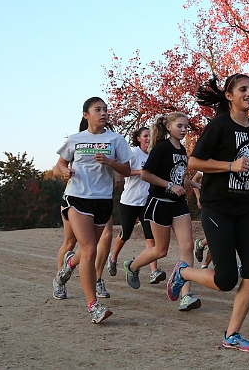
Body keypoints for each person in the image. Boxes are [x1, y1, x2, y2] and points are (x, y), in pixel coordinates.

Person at [167, 73, 249, 352]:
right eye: (243, 89)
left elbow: (248, 165)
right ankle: (185, 272)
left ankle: (232, 335)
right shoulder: (219, 126)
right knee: (226, 279)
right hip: (217, 207)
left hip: (244, 208)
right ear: (230, 96)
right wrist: (229, 166)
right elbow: (194, 161)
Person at [53, 97, 132, 323]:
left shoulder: (116, 139)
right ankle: (93, 306)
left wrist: (110, 163)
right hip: (77, 197)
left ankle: (68, 265)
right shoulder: (75, 139)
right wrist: (64, 172)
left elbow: (126, 170)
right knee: (89, 249)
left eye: (105, 109)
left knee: (90, 249)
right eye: (98, 109)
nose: (103, 113)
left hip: (103, 199)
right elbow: (60, 164)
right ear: (86, 114)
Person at [122, 113, 201, 311]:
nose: (184, 130)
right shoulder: (161, 148)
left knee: (188, 247)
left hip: (178, 204)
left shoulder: (182, 150)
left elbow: (177, 176)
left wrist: (190, 183)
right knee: (161, 250)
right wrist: (169, 186)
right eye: (180, 126)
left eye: (186, 126)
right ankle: (132, 266)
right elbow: (146, 174)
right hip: (159, 203)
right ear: (168, 127)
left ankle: (186, 295)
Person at [107, 127, 166, 285]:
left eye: (149, 136)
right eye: (145, 136)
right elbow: (123, 172)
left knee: (150, 236)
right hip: (130, 201)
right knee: (125, 234)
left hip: (147, 201)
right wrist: (140, 172)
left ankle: (154, 271)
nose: (148, 138)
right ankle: (113, 258)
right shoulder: (133, 153)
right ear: (138, 138)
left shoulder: (154, 154)